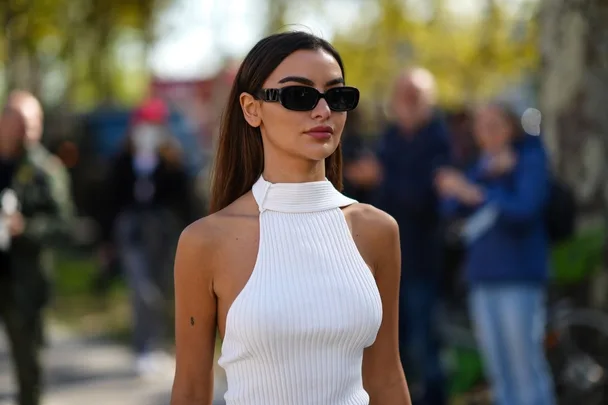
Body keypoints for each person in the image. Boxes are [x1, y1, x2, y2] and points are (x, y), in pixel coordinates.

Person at [170, 31, 410, 405]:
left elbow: (386, 377)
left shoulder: (377, 230)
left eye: (336, 96)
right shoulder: (205, 241)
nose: (322, 111)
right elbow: (190, 389)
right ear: (251, 109)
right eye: (299, 95)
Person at [436, 102, 555, 405]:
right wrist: (479, 182)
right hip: (482, 277)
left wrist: (481, 192)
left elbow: (525, 210)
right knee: (498, 368)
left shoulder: (529, 159)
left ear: (510, 126)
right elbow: (451, 207)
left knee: (524, 364)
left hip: (519, 276)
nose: (487, 131)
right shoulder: (483, 165)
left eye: (495, 124)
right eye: (481, 125)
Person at [101, 97, 193, 378]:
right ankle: (142, 347)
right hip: (132, 232)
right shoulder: (122, 160)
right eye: (144, 125)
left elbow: (186, 202)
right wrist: (105, 241)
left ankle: (157, 344)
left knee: (162, 289)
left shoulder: (173, 161)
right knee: (142, 290)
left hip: (163, 233)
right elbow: (108, 202)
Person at [374, 67, 450, 405]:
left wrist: (382, 177)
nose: (407, 102)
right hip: (385, 262)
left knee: (426, 344)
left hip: (422, 259)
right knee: (392, 345)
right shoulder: (388, 138)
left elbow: (423, 198)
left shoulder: (439, 139)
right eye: (402, 95)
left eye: (414, 96)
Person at [0, 90, 74, 405]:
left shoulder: (47, 171)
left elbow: (64, 225)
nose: (27, 129)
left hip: (24, 283)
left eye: (34, 122)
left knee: (28, 368)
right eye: (20, 121)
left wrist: (25, 228)